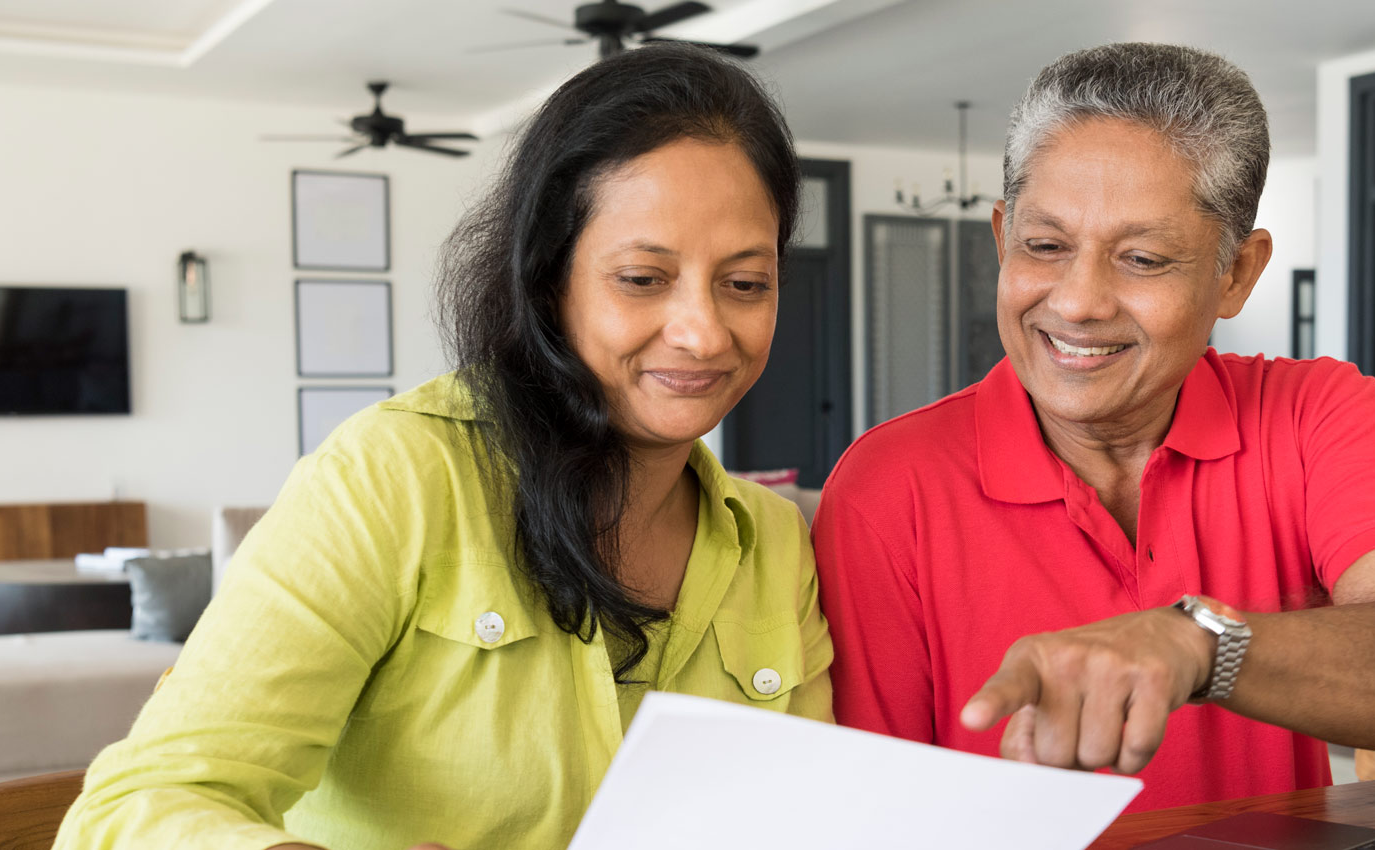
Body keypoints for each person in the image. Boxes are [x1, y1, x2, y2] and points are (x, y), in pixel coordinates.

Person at [55, 44, 831, 850]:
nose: (704, 333)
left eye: (745, 284)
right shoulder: (393, 477)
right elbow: (130, 812)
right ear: (546, 281)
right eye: (641, 278)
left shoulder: (775, 545)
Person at [813, 42, 1375, 813]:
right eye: (1044, 247)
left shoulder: (1312, 413)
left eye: (1142, 259)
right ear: (1002, 238)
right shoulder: (889, 484)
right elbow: (868, 809)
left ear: (1236, 273)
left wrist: (1199, 644)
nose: (1077, 302)